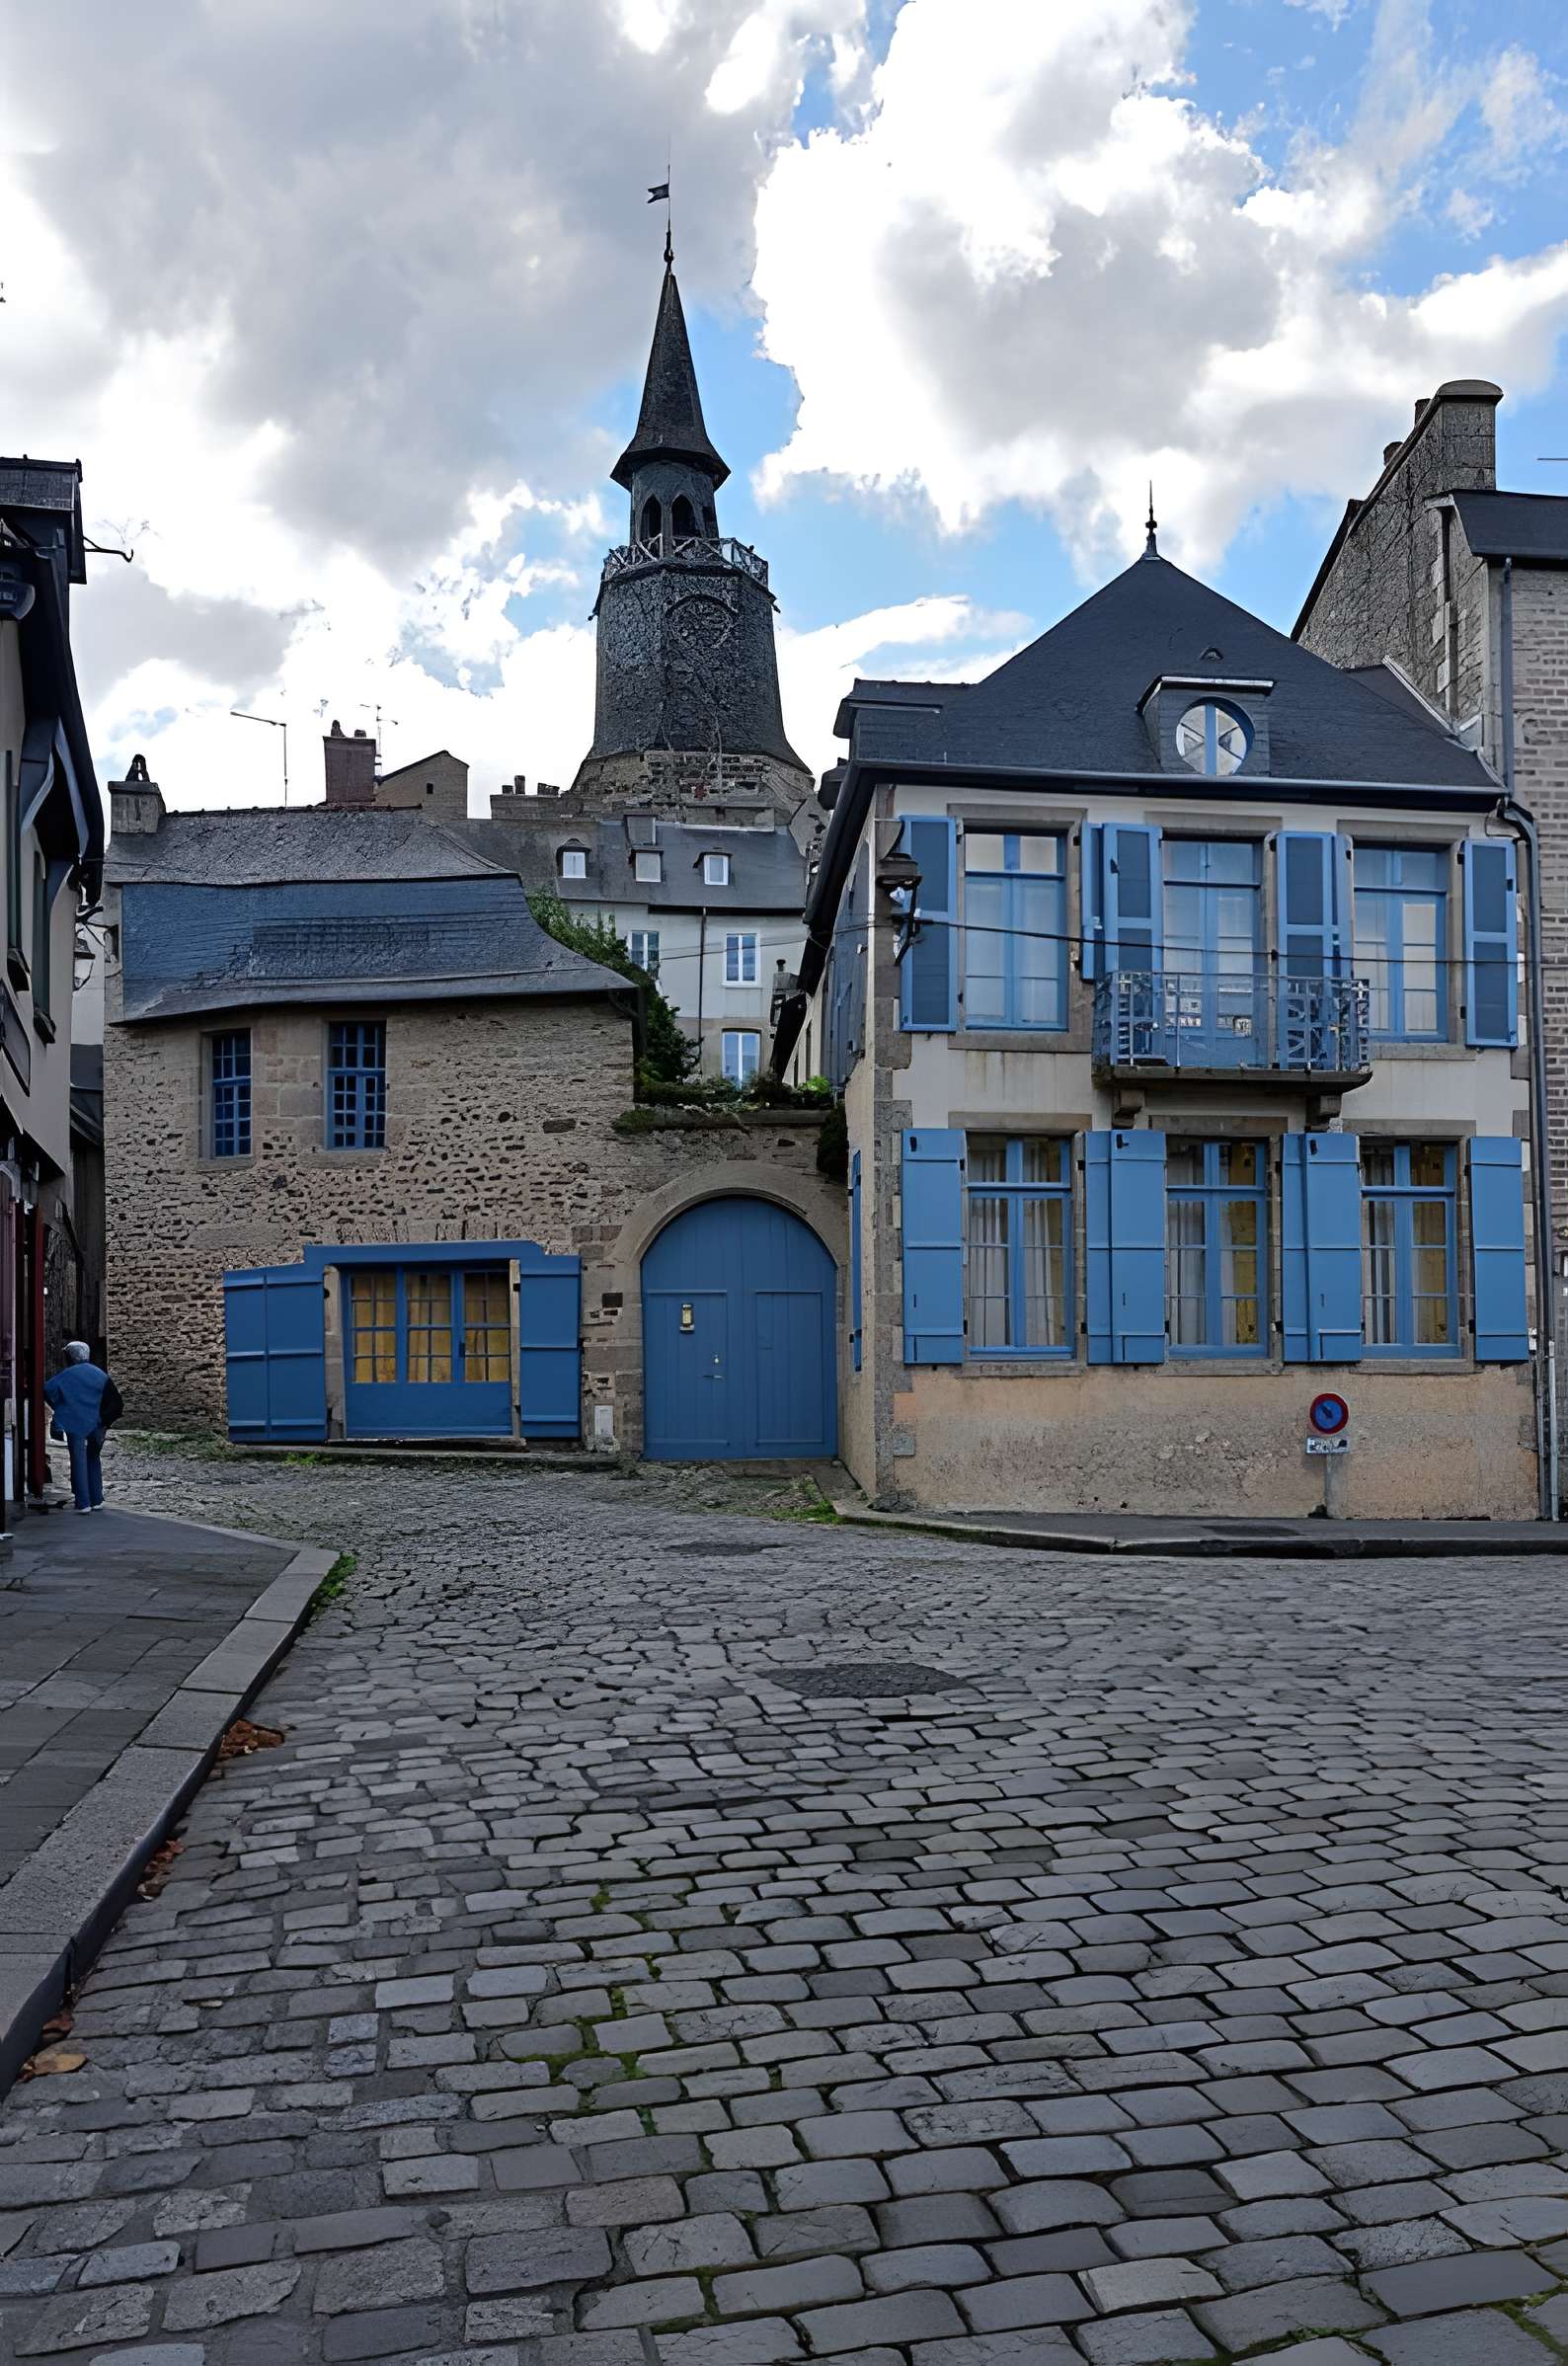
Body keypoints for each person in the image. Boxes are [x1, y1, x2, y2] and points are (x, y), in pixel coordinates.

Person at [43, 1340, 116, 1513]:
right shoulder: (100, 1374)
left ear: (70, 1357)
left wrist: (62, 1406)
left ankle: (83, 1503)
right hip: (97, 1423)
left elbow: (47, 1391)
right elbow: (115, 1401)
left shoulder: (66, 1375)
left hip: (75, 1422)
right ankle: (97, 1499)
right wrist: (104, 1421)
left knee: (78, 1460)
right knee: (94, 1457)